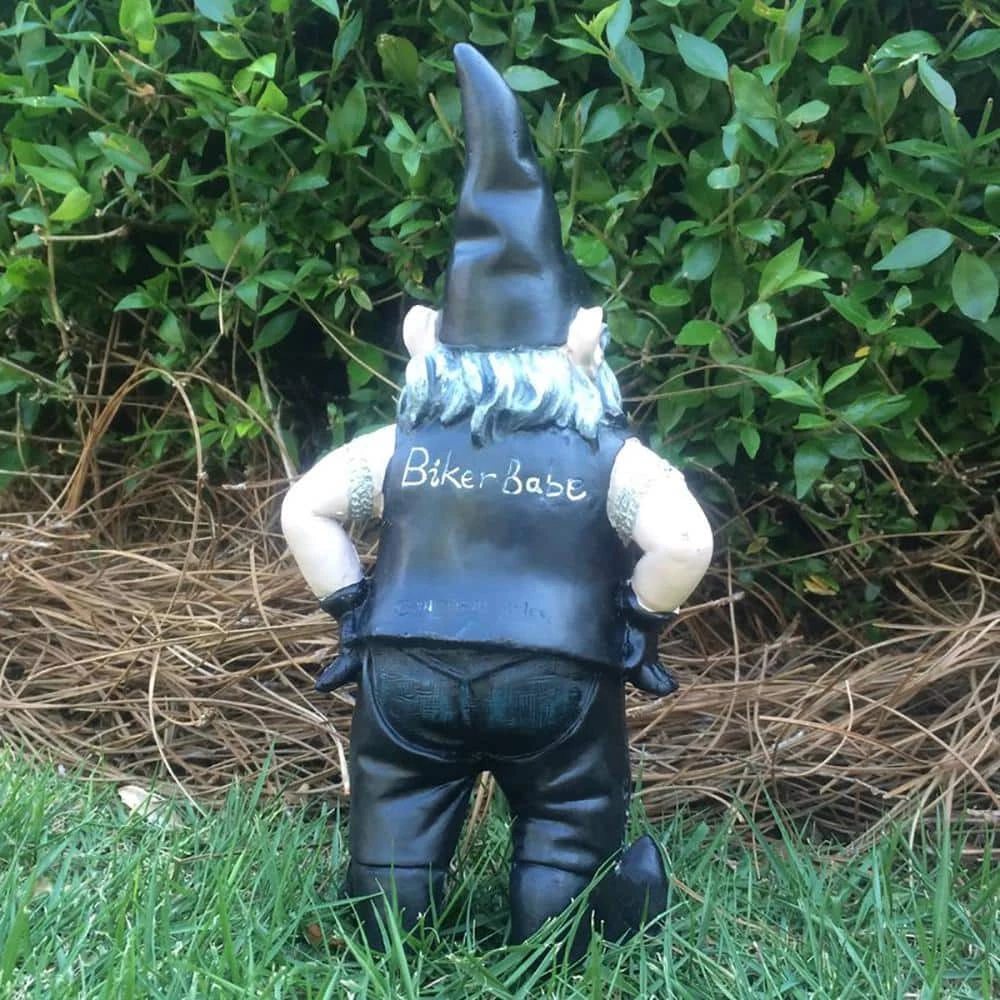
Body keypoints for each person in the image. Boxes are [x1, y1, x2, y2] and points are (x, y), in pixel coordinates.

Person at [281, 43, 714, 954]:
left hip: (405, 666)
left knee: (397, 808)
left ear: (427, 344)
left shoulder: (395, 446)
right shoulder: (613, 458)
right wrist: (637, 624)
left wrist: (353, 611)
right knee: (568, 816)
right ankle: (558, 932)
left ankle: (387, 922)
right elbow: (684, 542)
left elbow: (304, 509)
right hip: (558, 673)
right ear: (582, 347)